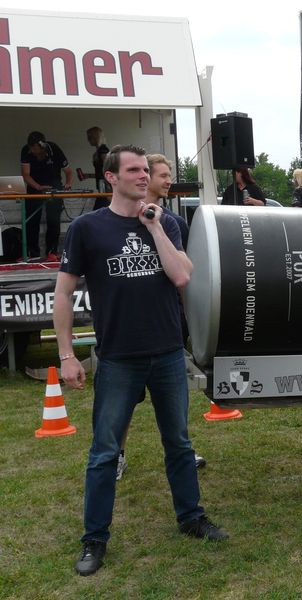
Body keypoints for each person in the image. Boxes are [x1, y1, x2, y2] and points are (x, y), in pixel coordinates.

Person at [54, 145, 227, 577]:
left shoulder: (165, 222)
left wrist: (154, 227)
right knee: (104, 452)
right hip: (118, 359)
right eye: (133, 169)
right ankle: (95, 538)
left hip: (167, 353)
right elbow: (63, 292)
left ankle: (191, 517)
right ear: (111, 177)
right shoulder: (88, 228)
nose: (143, 175)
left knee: (179, 443)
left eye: (146, 169)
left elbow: (182, 275)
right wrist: (66, 355)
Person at [114, 154, 205, 481]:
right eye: (163, 175)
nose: (169, 181)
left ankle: (182, 452)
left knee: (173, 398)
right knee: (124, 401)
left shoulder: (175, 223)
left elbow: (184, 276)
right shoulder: (118, 221)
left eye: (169, 175)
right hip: (130, 331)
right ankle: (116, 456)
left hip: (168, 326)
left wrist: (189, 320)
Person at [20, 131, 73, 260]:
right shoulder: (26, 150)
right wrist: (38, 187)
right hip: (34, 188)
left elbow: (68, 171)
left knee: (53, 219)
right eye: (31, 148)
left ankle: (52, 252)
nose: (33, 151)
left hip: (53, 188)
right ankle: (32, 253)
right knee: (31, 220)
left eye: (35, 148)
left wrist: (68, 184)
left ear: (42, 145)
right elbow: (25, 174)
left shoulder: (54, 149)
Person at [86, 126, 111, 210]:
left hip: (105, 187)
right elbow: (101, 171)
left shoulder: (103, 150)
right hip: (102, 187)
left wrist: (108, 188)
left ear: (94, 137)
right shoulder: (99, 151)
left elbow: (108, 168)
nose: (88, 140)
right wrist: (88, 176)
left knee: (99, 210)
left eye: (89, 137)